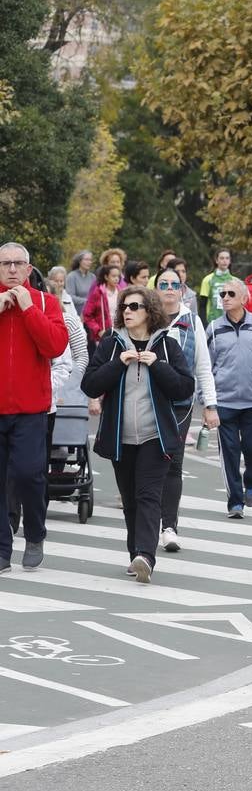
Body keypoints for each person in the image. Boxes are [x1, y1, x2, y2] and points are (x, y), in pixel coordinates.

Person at [81, 285, 194, 583]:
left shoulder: (167, 346)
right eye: (124, 307)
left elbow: (185, 388)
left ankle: (146, 555)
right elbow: (90, 385)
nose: (127, 312)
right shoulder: (111, 345)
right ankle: (136, 555)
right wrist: (118, 364)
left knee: (148, 496)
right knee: (130, 499)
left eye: (134, 307)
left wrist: (158, 367)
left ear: (149, 312)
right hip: (121, 438)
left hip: (155, 437)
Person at [0, 243, 69, 572]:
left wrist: (29, 310)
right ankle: (2, 549)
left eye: (18, 264)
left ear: (29, 270)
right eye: (5, 264)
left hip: (30, 410)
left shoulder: (46, 302)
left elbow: (55, 345)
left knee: (29, 474)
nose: (11, 269)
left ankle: (35, 532)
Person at [154, 265, 219, 552]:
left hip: (180, 405)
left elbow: (203, 367)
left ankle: (169, 526)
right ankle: (148, 520)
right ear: (155, 289)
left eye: (174, 285)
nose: (169, 289)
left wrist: (210, 405)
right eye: (163, 284)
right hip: (145, 403)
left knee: (173, 464)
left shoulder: (192, 322)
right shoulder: (143, 317)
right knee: (147, 465)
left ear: (182, 290)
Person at [207, 278, 252, 518]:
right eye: (222, 294)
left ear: (244, 298)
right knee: (229, 453)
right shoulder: (214, 329)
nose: (225, 297)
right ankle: (235, 502)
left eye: (230, 293)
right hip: (224, 403)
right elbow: (204, 368)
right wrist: (207, 402)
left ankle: (251, 479)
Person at [81, 261, 122, 346]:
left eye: (118, 276)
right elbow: (87, 314)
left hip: (120, 333)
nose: (116, 279)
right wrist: (98, 330)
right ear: (106, 277)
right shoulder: (98, 293)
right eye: (113, 276)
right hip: (103, 335)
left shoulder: (121, 292)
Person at [199, 248, 235, 322]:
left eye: (227, 258)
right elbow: (202, 305)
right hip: (212, 320)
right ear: (216, 261)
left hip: (231, 321)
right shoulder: (208, 279)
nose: (224, 261)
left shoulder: (235, 281)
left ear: (230, 261)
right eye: (222, 258)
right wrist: (204, 323)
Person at [66, 250, 96, 315]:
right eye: (86, 259)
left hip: (91, 314)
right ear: (80, 261)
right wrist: (87, 301)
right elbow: (70, 296)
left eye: (90, 260)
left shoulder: (93, 277)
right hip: (76, 314)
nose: (89, 262)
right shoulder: (71, 276)